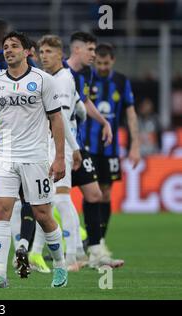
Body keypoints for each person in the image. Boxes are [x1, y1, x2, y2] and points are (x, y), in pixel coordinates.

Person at [0, 31, 68, 288]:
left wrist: (59, 157)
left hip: (35, 156)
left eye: (14, 46)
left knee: (42, 214)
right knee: (1, 209)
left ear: (27, 51)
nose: (8, 50)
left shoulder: (43, 81)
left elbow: (56, 120)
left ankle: (60, 265)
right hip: (4, 156)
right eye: (5, 46)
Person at [63, 31, 124, 269]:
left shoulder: (86, 73)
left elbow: (83, 101)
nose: (94, 54)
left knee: (95, 194)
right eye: (90, 50)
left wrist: (104, 122)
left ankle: (96, 253)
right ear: (77, 49)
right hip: (57, 146)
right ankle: (63, 255)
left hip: (78, 145)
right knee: (55, 201)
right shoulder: (59, 73)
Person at [31, 34, 85, 272]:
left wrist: (74, 148)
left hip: (58, 146)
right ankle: (41, 253)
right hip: (54, 144)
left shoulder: (61, 80)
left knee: (60, 200)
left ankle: (72, 256)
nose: (44, 56)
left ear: (60, 55)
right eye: (41, 52)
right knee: (49, 201)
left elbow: (61, 116)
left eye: (49, 52)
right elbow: (80, 108)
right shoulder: (60, 78)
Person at [85, 42, 140, 255]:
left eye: (106, 63)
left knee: (106, 194)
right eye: (98, 63)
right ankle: (83, 240)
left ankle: (98, 243)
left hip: (110, 149)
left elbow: (131, 114)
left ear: (113, 61)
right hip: (88, 146)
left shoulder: (121, 81)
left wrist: (135, 144)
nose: (102, 67)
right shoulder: (86, 78)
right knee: (91, 192)